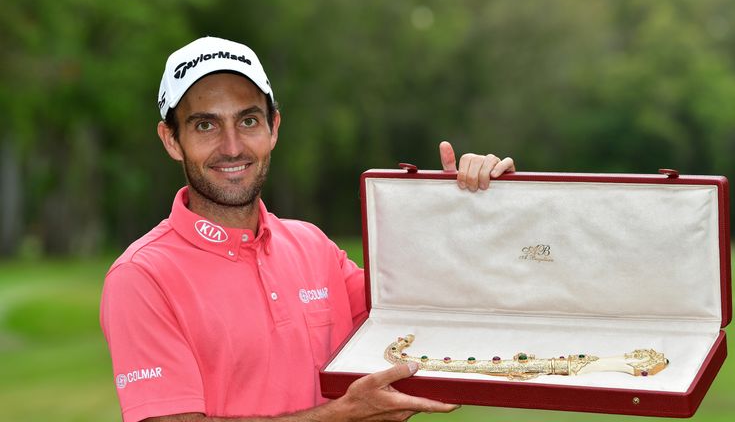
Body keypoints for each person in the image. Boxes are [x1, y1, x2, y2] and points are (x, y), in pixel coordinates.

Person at [100, 37, 515, 422]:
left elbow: (430, 311)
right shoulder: (141, 277)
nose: (231, 146)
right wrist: (339, 417)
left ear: (274, 127)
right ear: (171, 139)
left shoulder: (313, 247)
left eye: (247, 121)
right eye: (205, 125)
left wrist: (469, 214)